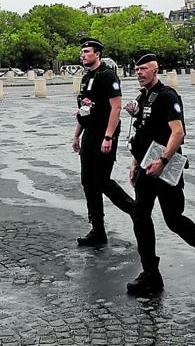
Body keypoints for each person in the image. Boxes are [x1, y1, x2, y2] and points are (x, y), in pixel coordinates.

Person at [126, 52, 195, 295]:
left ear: (155, 70)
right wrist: (134, 162)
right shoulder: (143, 97)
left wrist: (162, 160)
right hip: (145, 167)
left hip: (165, 166)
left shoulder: (167, 96)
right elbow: (140, 133)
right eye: (137, 69)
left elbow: (178, 133)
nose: (139, 73)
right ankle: (151, 273)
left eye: (144, 69)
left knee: (174, 220)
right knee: (140, 218)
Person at [71, 40, 134, 247]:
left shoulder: (108, 76)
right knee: (88, 183)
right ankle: (97, 230)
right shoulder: (86, 77)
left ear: (97, 54)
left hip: (104, 135)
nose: (83, 55)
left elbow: (116, 108)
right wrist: (76, 135)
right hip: (89, 133)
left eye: (87, 52)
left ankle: (135, 211)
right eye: (82, 52)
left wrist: (108, 137)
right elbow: (83, 109)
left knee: (102, 181)